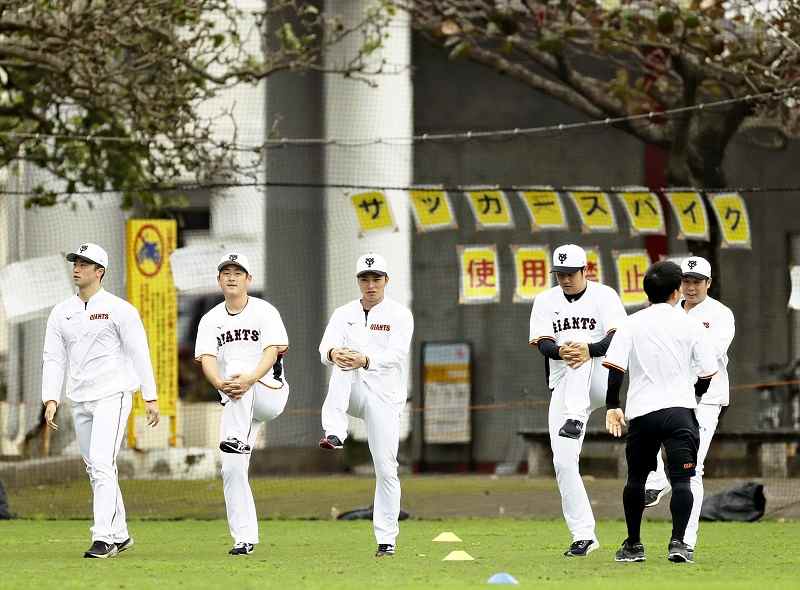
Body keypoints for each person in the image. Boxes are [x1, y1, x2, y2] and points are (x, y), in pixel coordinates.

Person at [42, 242, 160, 558]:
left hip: (113, 394)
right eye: (75, 262)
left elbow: (139, 351)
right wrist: (50, 398)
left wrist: (150, 396)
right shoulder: (61, 312)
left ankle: (103, 537)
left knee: (101, 462)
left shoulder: (120, 309)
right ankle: (120, 534)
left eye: (84, 263)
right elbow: (53, 357)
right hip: (79, 398)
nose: (76, 268)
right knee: (95, 467)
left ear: (100, 271)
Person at [604, 260, 718, 564]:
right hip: (680, 412)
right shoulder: (691, 323)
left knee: (636, 480)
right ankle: (679, 543)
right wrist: (694, 394)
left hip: (642, 413)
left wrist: (613, 405)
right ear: (677, 290)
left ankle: (633, 545)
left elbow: (615, 368)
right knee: (683, 480)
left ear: (647, 291)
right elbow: (708, 372)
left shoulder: (631, 322)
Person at [528, 244, 627, 557]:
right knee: (563, 461)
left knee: (579, 349)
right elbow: (543, 344)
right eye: (560, 274)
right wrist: (562, 351)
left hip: (600, 378)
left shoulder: (604, 295)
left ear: (586, 270)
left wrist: (587, 349)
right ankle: (583, 535)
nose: (565, 279)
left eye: (571, 273)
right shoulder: (545, 299)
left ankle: (575, 417)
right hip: (565, 385)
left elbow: (617, 337)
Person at [318, 252, 414, 558]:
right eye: (364, 279)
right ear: (358, 281)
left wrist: (366, 359)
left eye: (376, 279)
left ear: (386, 280)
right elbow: (325, 347)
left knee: (386, 469)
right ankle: (334, 431)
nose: (370, 285)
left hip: (385, 398)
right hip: (355, 391)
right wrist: (335, 354)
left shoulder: (400, 314)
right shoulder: (343, 313)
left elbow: (397, 355)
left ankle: (386, 540)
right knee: (341, 361)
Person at [195, 252, 289, 556]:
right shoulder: (211, 319)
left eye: (238, 272)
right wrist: (220, 384)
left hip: (269, 392)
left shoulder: (265, 311)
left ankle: (235, 437)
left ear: (249, 279)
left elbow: (272, 354)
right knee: (232, 468)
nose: (231, 276)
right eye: (226, 272)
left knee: (236, 369)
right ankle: (244, 538)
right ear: (219, 279)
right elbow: (207, 360)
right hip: (236, 397)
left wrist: (246, 380)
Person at [643, 256, 735, 551]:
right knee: (646, 433)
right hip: (673, 395)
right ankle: (657, 479)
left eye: (697, 282)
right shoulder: (668, 312)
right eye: (685, 281)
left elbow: (710, 354)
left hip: (707, 398)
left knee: (693, 468)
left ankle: (685, 540)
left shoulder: (720, 314)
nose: (690, 287)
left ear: (708, 283)